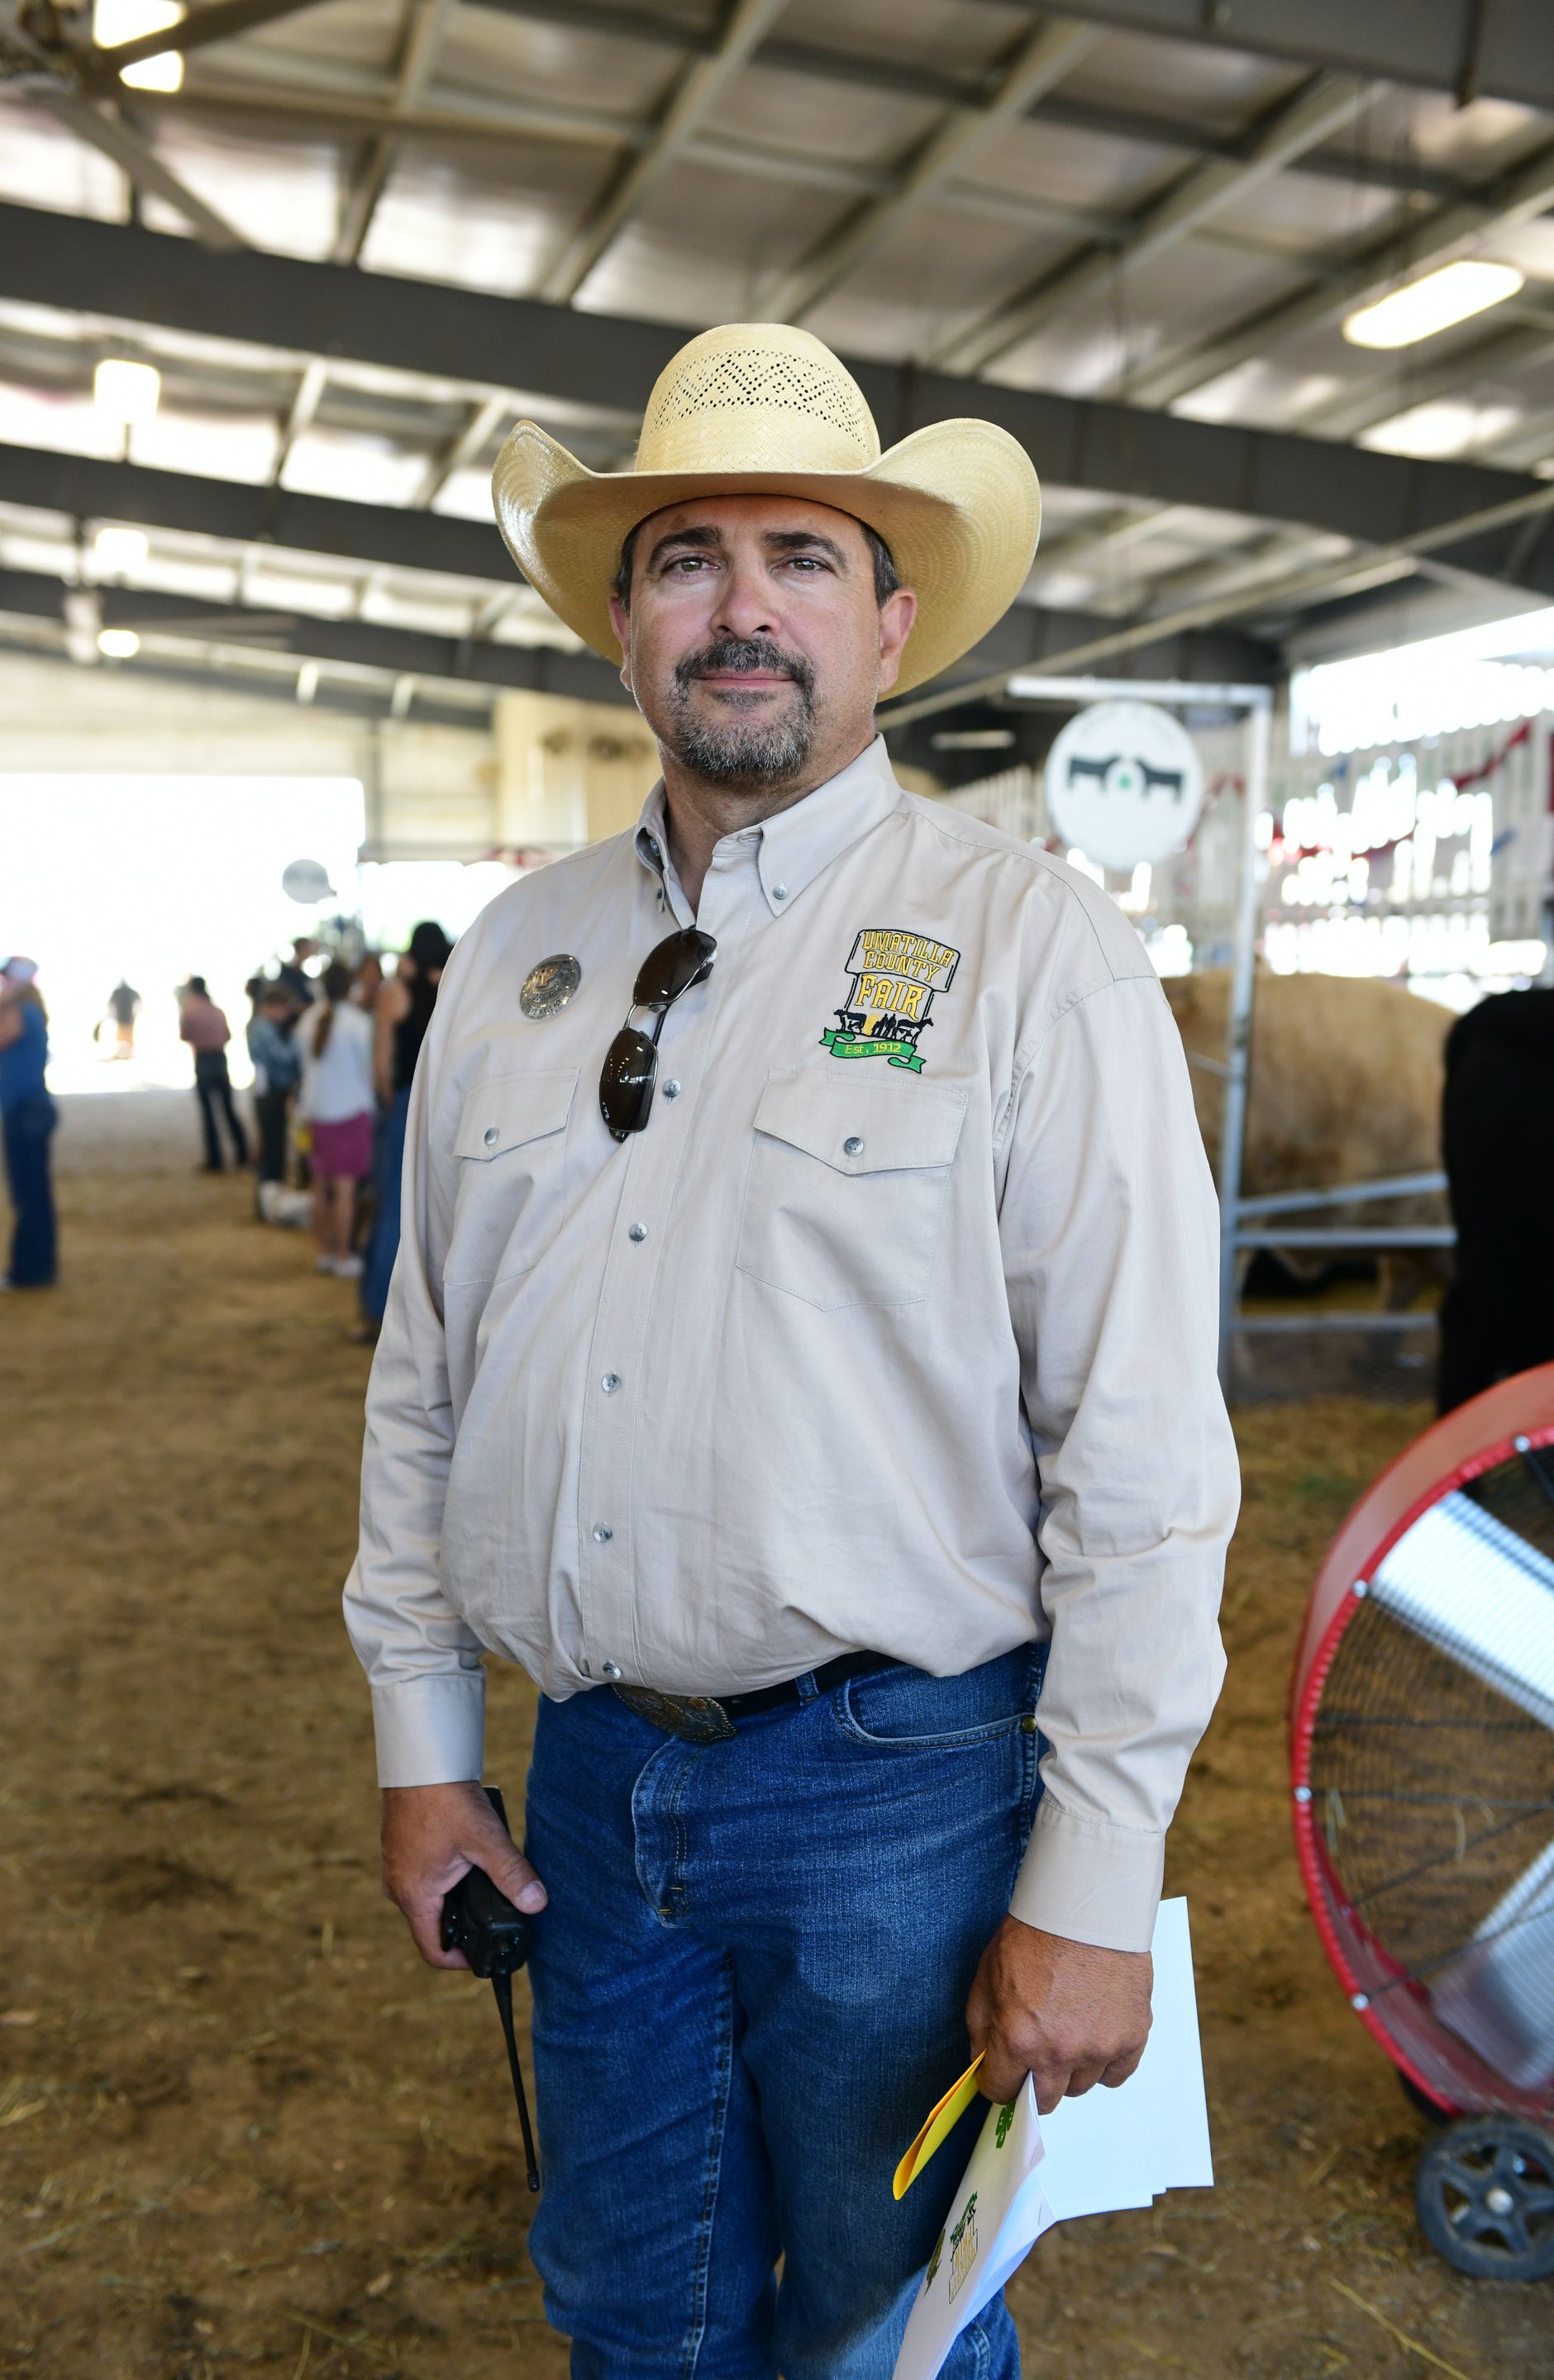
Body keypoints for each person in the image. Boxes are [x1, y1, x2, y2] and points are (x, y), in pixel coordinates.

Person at [344, 322, 1239, 2379]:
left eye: (802, 556)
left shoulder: (1031, 950)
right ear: (622, 623)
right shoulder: (516, 956)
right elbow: (425, 1378)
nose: (743, 604)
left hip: (898, 1789)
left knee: (883, 2330)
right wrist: (422, 1747)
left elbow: (1139, 1449)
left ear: (891, 621)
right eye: (685, 558)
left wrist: (1093, 1872)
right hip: (589, 1773)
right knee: (625, 2315)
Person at [357, 922, 453, 1339]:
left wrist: (389, 1099)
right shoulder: (455, 986)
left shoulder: (395, 993)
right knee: (442, 1212)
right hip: (450, 1108)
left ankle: (377, 1313)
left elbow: (381, 1063)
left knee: (393, 1209)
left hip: (405, 1106)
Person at [295, 959, 374, 1279]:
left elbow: (303, 1068)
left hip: (317, 1111)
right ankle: (343, 1254)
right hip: (350, 1110)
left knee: (320, 1186)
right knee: (345, 1190)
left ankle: (325, 1253)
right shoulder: (357, 1023)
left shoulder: (308, 1020)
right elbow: (368, 1069)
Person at [0, 956, 58, 1292]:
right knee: (36, 1193)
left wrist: (0, 1006)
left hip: (24, 1113)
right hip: (33, 1109)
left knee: (28, 1196)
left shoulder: (17, 1011)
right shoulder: (32, 1012)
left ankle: (29, 1271)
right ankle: (39, 1266)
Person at [179, 977, 248, 1172]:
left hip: (203, 1060)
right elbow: (228, 1035)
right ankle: (242, 1154)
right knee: (229, 1109)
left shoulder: (190, 1011)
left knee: (208, 1113)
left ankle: (216, 1160)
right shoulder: (217, 1011)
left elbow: (184, 1035)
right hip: (220, 1059)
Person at [247, 982, 302, 1191]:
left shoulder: (264, 1026)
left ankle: (269, 1192)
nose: (286, 1014)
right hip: (270, 1092)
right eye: (284, 1008)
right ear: (272, 1006)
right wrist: (297, 1042)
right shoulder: (263, 1028)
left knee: (272, 1142)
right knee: (272, 1144)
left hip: (269, 1091)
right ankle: (269, 1193)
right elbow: (283, 1056)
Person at [107, 976, 140, 1059]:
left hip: (121, 1017)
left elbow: (110, 1004)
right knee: (127, 1036)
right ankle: (126, 1054)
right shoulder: (131, 991)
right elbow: (139, 1003)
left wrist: (111, 1015)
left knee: (121, 1036)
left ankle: (123, 1054)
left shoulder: (117, 991)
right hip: (129, 1018)